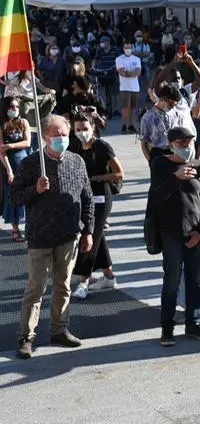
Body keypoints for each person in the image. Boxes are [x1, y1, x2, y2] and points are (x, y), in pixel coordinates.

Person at [12, 114, 94, 359]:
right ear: (46, 136)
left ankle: (59, 329)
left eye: (64, 135)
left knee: (64, 285)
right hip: (40, 236)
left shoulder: (77, 161)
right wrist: (34, 190)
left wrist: (88, 230)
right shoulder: (30, 164)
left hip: (68, 235)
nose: (61, 139)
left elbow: (87, 197)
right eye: (56, 135)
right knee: (35, 288)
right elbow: (14, 198)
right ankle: (26, 338)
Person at [148, 126, 200, 345]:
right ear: (171, 145)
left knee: (193, 280)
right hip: (171, 233)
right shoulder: (160, 165)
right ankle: (167, 328)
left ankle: (193, 323)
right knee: (172, 281)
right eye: (182, 143)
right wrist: (175, 177)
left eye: (190, 143)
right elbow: (156, 197)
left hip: (194, 232)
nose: (188, 147)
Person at [69, 113, 123, 300]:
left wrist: (97, 178)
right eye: (78, 129)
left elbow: (119, 173)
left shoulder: (102, 146)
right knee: (98, 236)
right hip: (85, 197)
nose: (82, 132)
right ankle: (109, 276)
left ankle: (84, 281)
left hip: (101, 196)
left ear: (93, 127)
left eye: (85, 128)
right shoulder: (75, 146)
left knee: (90, 236)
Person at [140, 82, 195, 166]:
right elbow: (144, 143)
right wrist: (151, 161)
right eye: (170, 104)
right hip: (158, 153)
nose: (172, 107)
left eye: (174, 104)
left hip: (175, 152)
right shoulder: (148, 117)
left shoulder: (176, 113)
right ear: (162, 99)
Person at [1, 97, 30, 242]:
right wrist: (9, 170)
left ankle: (29, 225)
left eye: (17, 107)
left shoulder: (23, 122)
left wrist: (10, 145)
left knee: (29, 193)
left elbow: (27, 142)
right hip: (9, 164)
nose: (15, 110)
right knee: (11, 195)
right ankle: (15, 228)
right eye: (12, 107)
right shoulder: (2, 125)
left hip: (24, 161)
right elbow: (1, 151)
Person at [115, 40, 142, 134]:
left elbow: (138, 72)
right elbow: (122, 73)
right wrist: (131, 73)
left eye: (129, 48)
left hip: (135, 87)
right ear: (123, 49)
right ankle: (123, 125)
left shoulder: (137, 59)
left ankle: (131, 125)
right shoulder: (119, 59)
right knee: (125, 107)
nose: (128, 49)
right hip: (125, 87)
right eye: (126, 48)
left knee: (133, 107)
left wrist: (128, 72)